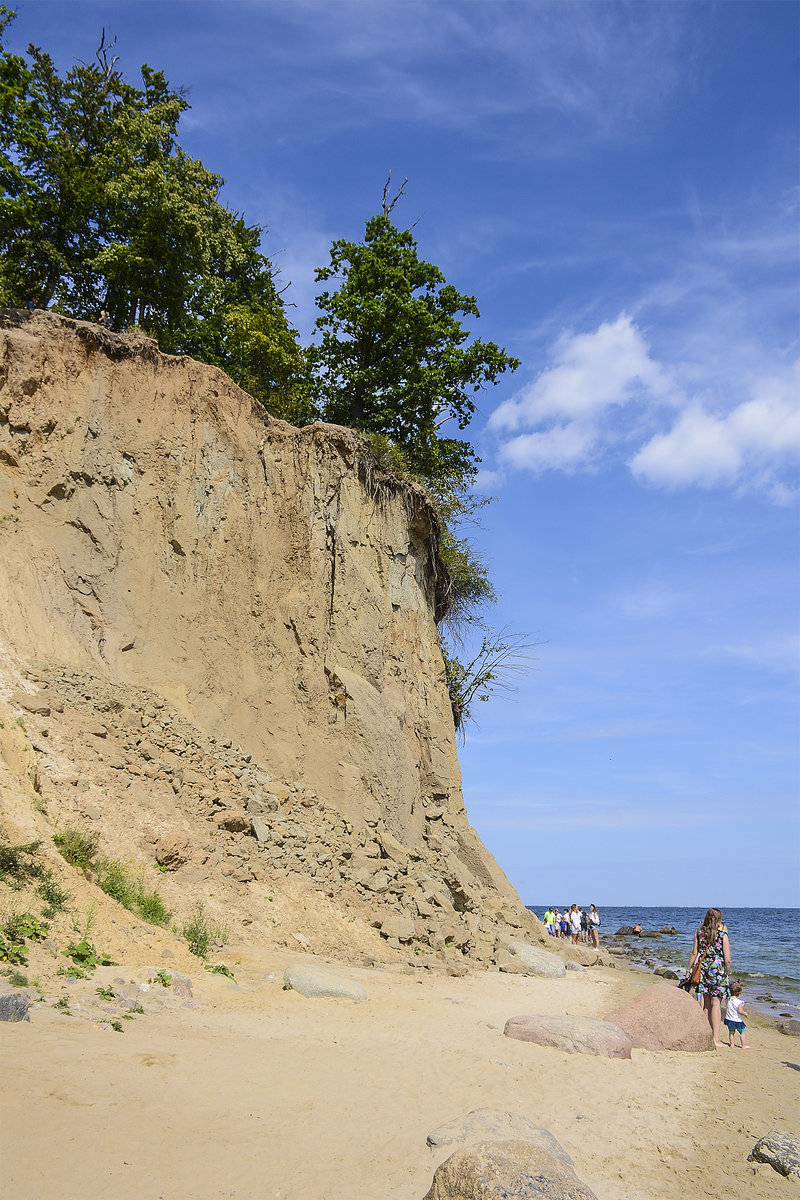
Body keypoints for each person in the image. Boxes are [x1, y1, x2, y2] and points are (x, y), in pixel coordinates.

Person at [687, 907, 731, 1048]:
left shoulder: (699, 933)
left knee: (705, 1003)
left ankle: (705, 1035)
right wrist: (726, 972)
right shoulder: (722, 935)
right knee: (716, 1003)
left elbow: (694, 953)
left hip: (704, 967)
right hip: (718, 969)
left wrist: (689, 970)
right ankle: (716, 1039)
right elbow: (728, 958)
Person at [725, 981, 748, 1049]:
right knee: (742, 1032)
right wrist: (745, 1013)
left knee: (731, 1032)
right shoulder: (739, 1002)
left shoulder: (728, 999)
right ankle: (743, 1045)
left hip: (729, 1019)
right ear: (739, 992)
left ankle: (732, 1045)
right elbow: (740, 1011)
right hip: (737, 1020)